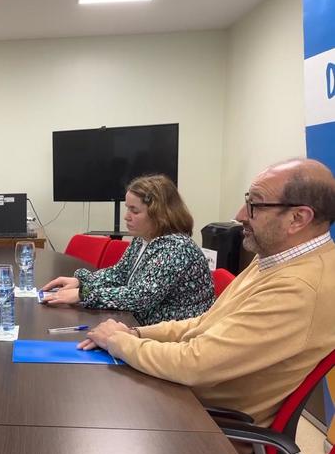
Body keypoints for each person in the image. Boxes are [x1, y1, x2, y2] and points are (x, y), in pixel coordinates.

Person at [79, 158, 335, 428]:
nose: (239, 215)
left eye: (254, 205)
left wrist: (119, 342)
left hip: (208, 425)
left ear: (298, 218)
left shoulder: (298, 288)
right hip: (185, 398)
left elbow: (193, 364)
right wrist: (135, 334)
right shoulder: (274, 259)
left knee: (85, 407)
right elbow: (205, 323)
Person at [41, 174, 214, 325]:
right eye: (127, 208)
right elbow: (119, 274)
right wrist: (82, 281)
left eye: (135, 211)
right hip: (145, 323)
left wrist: (83, 294)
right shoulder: (142, 238)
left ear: (160, 215)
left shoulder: (177, 248)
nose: (126, 216)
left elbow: (140, 297)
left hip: (173, 336)